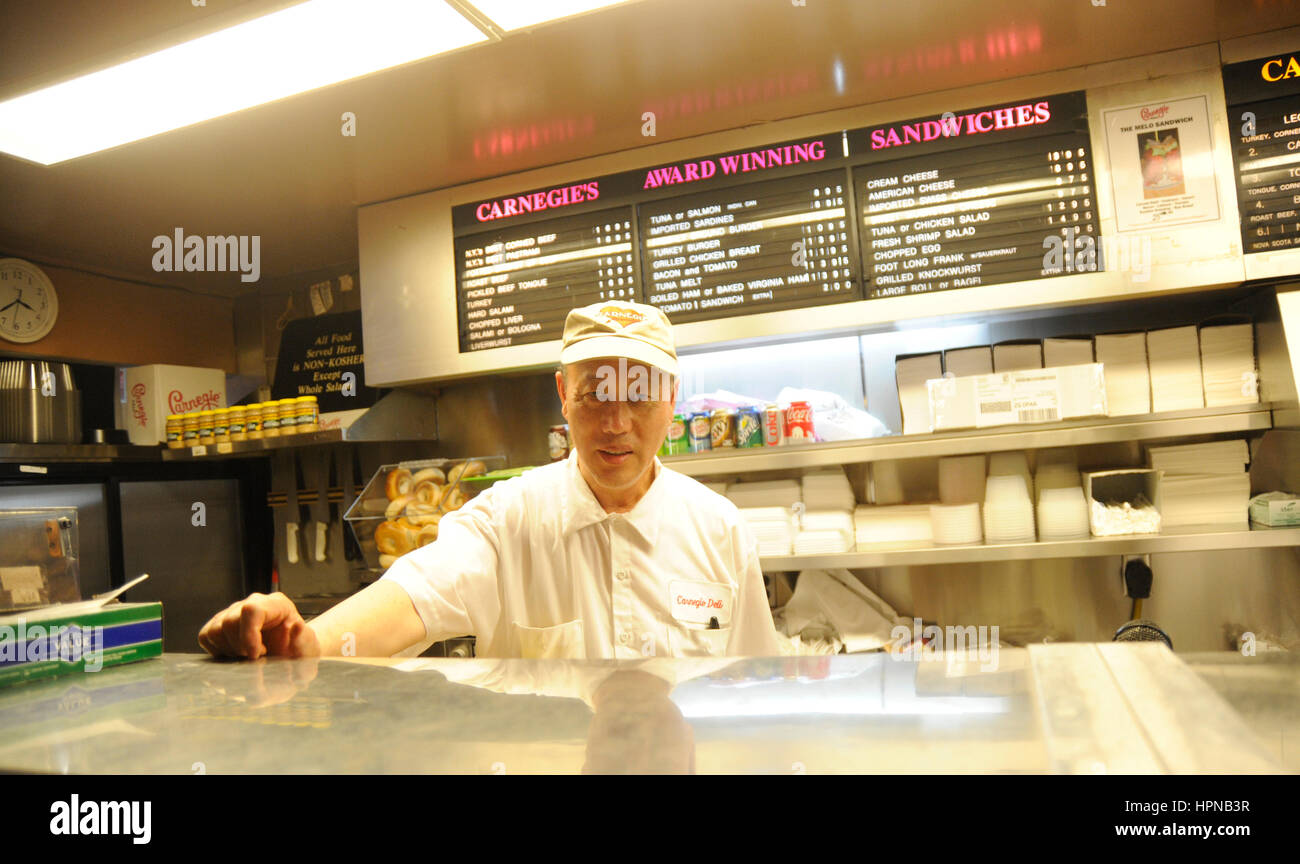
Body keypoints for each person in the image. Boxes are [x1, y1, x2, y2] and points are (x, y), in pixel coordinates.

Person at [199, 300, 780, 660]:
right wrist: (303, 642)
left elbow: (756, 685)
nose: (616, 423)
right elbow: (412, 599)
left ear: (671, 399)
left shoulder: (719, 530)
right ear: (562, 394)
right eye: (595, 394)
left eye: (639, 396)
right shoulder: (507, 520)